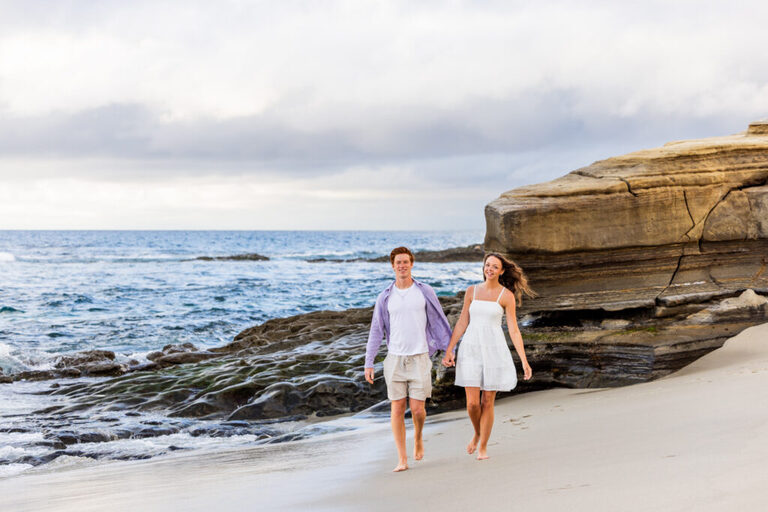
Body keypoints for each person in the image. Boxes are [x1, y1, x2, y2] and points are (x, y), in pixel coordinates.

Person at [365, 246, 452, 472]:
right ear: (392, 266)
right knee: (396, 408)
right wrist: (369, 361)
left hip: (420, 357)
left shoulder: (424, 292)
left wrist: (448, 351)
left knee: (417, 410)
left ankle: (419, 437)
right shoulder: (385, 297)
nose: (402, 266)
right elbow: (376, 330)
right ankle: (402, 459)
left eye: (406, 262)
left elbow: (439, 323)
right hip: (394, 360)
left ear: (411, 264)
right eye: (398, 262)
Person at [442, 253, 535, 460]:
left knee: (487, 402)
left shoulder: (506, 296)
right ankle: (477, 432)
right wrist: (450, 349)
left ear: (501, 271)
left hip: (494, 350)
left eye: (494, 266)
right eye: (487, 265)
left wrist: (524, 360)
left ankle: (482, 446)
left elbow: (514, 330)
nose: (490, 269)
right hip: (471, 348)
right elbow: (462, 322)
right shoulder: (472, 291)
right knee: (472, 404)